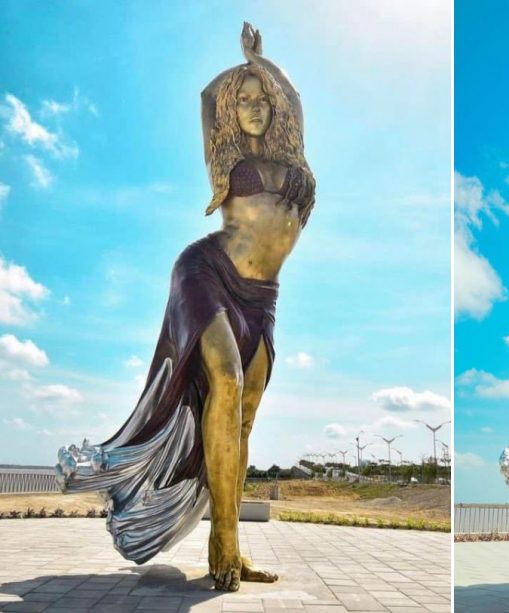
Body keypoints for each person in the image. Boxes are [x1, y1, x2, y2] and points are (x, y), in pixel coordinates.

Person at [55, 23, 315, 592]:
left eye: (260, 99)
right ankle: (222, 544)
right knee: (224, 377)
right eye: (242, 99)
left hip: (262, 300)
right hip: (205, 274)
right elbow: (206, 98)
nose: (252, 106)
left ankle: (230, 541)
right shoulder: (226, 160)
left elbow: (294, 101)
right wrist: (242, 66)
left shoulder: (293, 156)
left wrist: (263, 64)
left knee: (243, 419)